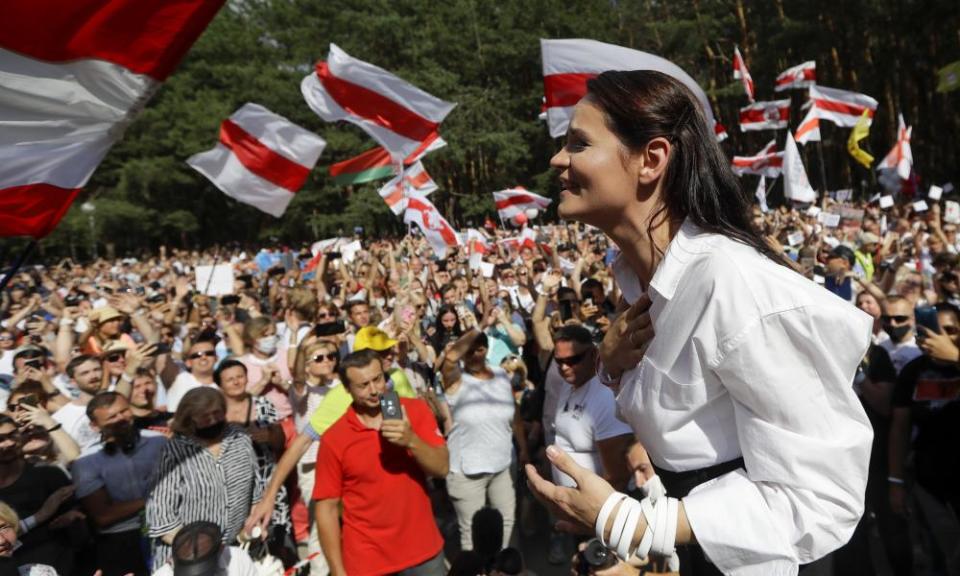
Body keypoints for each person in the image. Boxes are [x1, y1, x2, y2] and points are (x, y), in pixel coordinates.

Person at [524, 70, 873, 575]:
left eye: (579, 142)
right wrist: (612, 368)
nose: (558, 159)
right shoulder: (641, 288)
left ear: (651, 159)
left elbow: (822, 496)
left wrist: (638, 524)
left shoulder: (734, 284)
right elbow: (695, 427)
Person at [313, 349, 448, 576]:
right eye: (363, 385)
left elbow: (442, 468)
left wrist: (412, 441)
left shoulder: (414, 411)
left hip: (423, 551)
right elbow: (326, 507)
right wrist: (337, 570)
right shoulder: (334, 438)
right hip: (369, 563)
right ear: (347, 389)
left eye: (378, 379)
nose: (374, 390)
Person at [146, 387, 261, 568]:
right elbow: (162, 519)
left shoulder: (240, 439)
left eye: (217, 413)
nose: (213, 420)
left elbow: (256, 492)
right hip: (188, 559)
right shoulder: (174, 452)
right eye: (204, 416)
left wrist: (254, 525)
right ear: (190, 418)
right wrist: (204, 547)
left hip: (236, 553)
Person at [440, 323, 525, 551]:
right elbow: (449, 358)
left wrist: (524, 448)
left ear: (487, 350)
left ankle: (503, 570)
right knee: (471, 537)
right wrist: (479, 326)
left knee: (507, 525)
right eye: (469, 350)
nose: (475, 355)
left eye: (480, 349)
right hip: (467, 472)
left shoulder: (499, 374)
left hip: (502, 466)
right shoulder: (455, 380)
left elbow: (514, 413)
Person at [71, 392, 166, 576]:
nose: (121, 418)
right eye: (112, 416)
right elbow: (103, 515)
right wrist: (151, 498)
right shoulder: (86, 462)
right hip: (121, 540)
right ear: (94, 426)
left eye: (124, 411)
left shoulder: (158, 441)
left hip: (166, 526)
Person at [164, 337, 218, 413]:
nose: (203, 357)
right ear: (188, 362)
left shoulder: (225, 383)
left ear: (216, 358)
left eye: (209, 353)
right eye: (197, 355)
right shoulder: (181, 379)